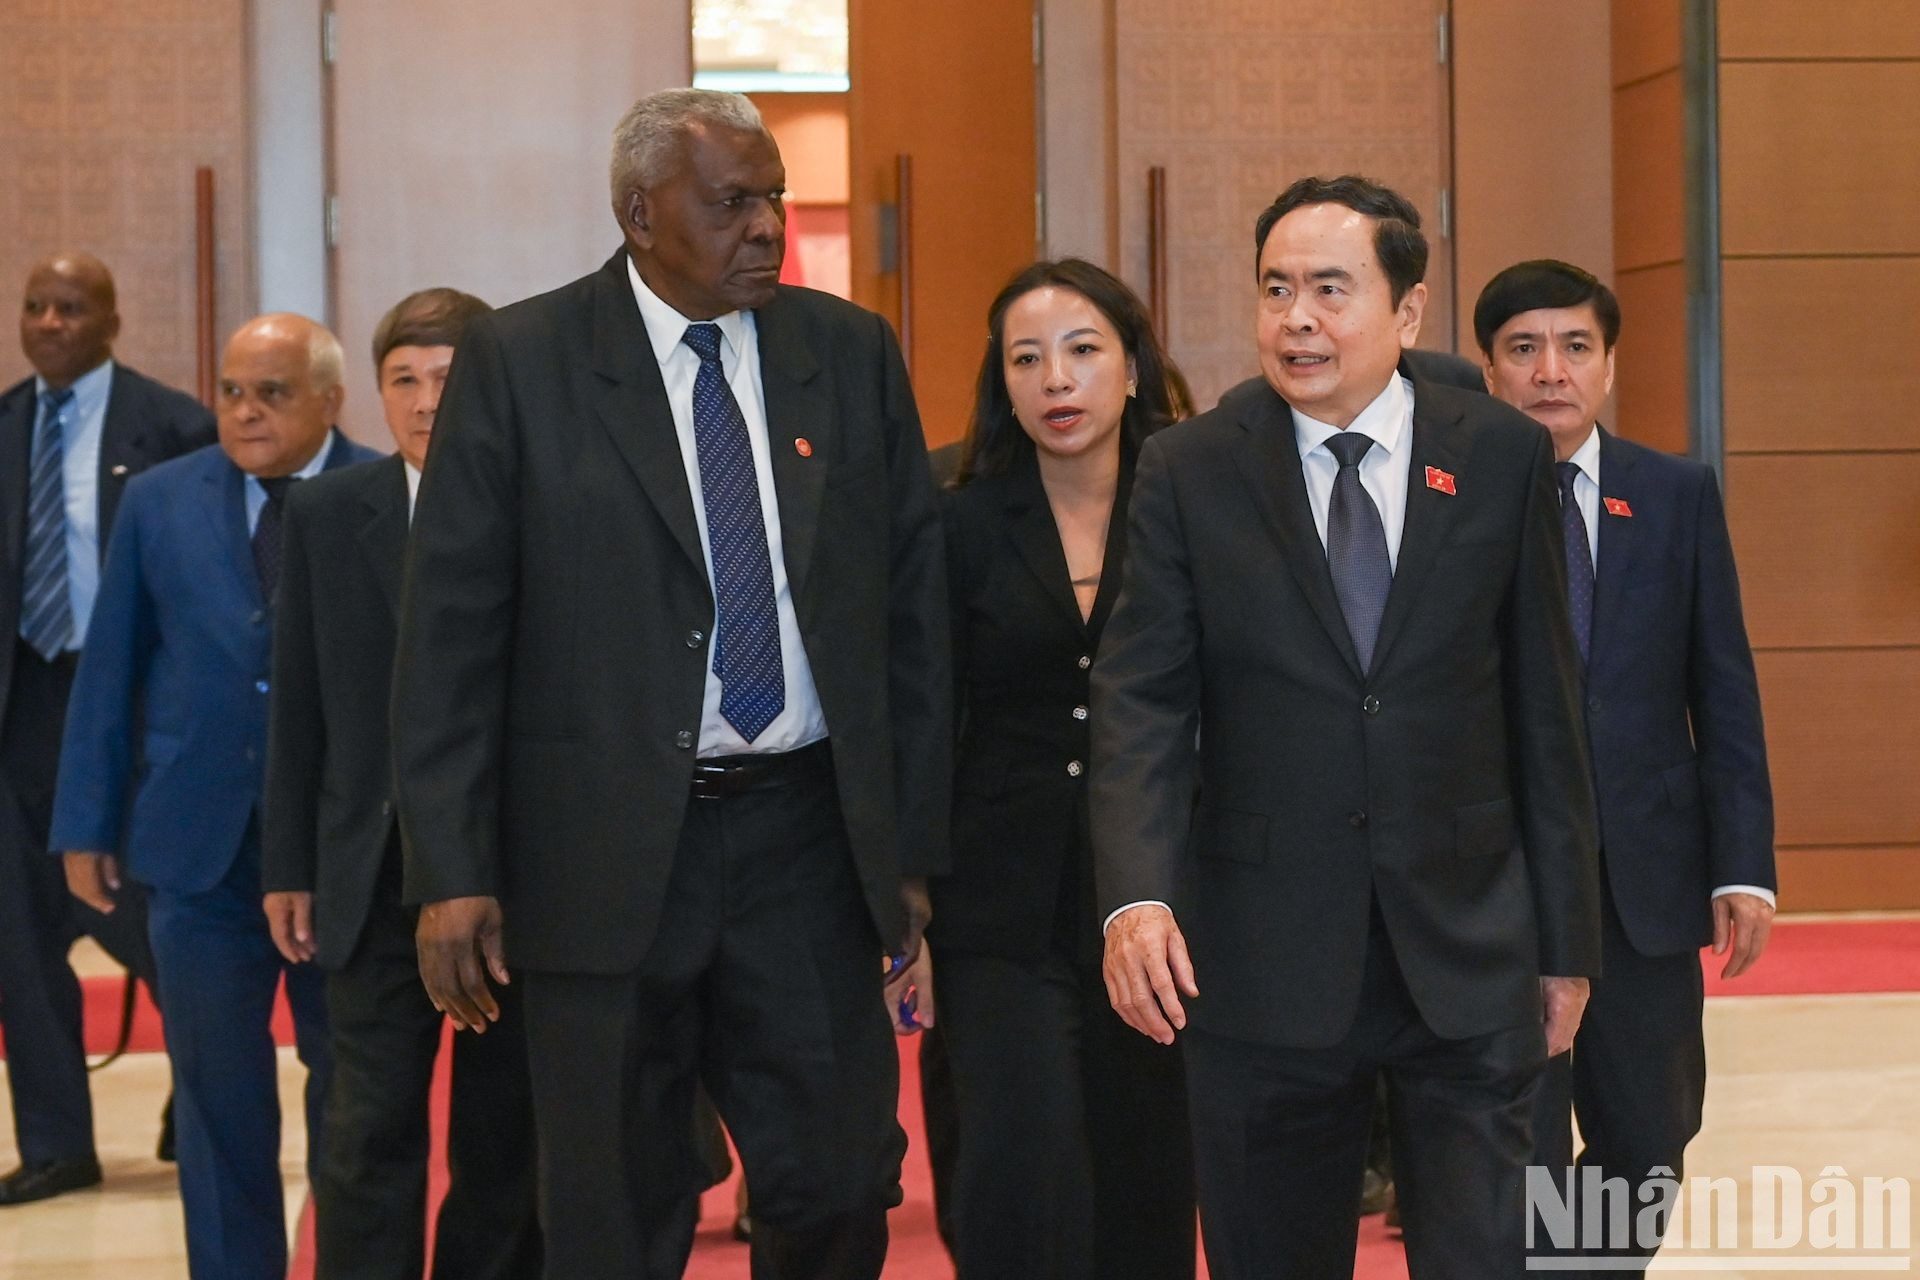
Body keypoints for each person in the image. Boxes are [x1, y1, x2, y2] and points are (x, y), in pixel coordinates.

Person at [389, 88, 949, 1280]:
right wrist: (452, 867)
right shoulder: (523, 361)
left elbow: (910, 617)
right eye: (733, 201)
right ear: (641, 214)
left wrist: (905, 850)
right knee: (610, 1208)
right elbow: (449, 637)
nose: (768, 226)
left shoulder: (848, 352)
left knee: (840, 1178)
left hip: (805, 840)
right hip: (597, 853)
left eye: (774, 198)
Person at [1092, 175, 1601, 1280]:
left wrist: (1566, 943)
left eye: (1330, 288)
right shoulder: (1191, 466)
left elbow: (1545, 708)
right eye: (1276, 289)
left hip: (1468, 945)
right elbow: (1142, 700)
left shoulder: (1501, 453)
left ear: (1408, 310)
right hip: (1261, 959)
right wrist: (1137, 896)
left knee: (1492, 1258)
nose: (1297, 319)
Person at [51, 313, 374, 1279]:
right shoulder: (161, 500)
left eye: (272, 393)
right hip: (199, 849)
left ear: (329, 400)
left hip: (341, 857)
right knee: (215, 1096)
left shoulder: (380, 492)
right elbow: (111, 667)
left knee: (353, 1099)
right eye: (231, 391)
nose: (244, 411)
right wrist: (85, 822)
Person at [1474, 258, 1776, 1272]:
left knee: (1650, 1133)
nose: (1549, 371)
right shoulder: (1450, 497)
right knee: (1511, 1140)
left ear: (1609, 363)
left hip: (1643, 882)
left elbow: (1722, 687)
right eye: (1523, 348)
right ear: (1489, 369)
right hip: (1501, 881)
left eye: (1575, 346)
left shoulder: (1674, 493)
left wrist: (1743, 862)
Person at [262, 288, 544, 1279]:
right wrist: (289, 862)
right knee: (366, 1127)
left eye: (448, 378)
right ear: (374, 392)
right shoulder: (330, 511)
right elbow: (298, 702)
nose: (426, 401)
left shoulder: (546, 504)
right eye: (404, 379)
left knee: (503, 1134)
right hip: (372, 865)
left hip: (510, 870)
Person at [931, 259, 1195, 1279]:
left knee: (1146, 1166)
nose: (1056, 380)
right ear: (1002, 383)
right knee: (1018, 1166)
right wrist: (906, 897)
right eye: (1026, 359)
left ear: (1132, 366)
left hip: (1159, 895)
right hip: (997, 898)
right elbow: (926, 713)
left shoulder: (1194, 502)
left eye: (1083, 351)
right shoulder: (958, 516)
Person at [0, 252, 212, 1203]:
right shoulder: (4, 425)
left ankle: (198, 1089)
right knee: (19, 936)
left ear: (111, 321)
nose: (50, 322)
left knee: (142, 912)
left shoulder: (172, 426)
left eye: (71, 307)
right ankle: (56, 1146)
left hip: (128, 702)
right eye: (35, 306)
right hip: (21, 705)